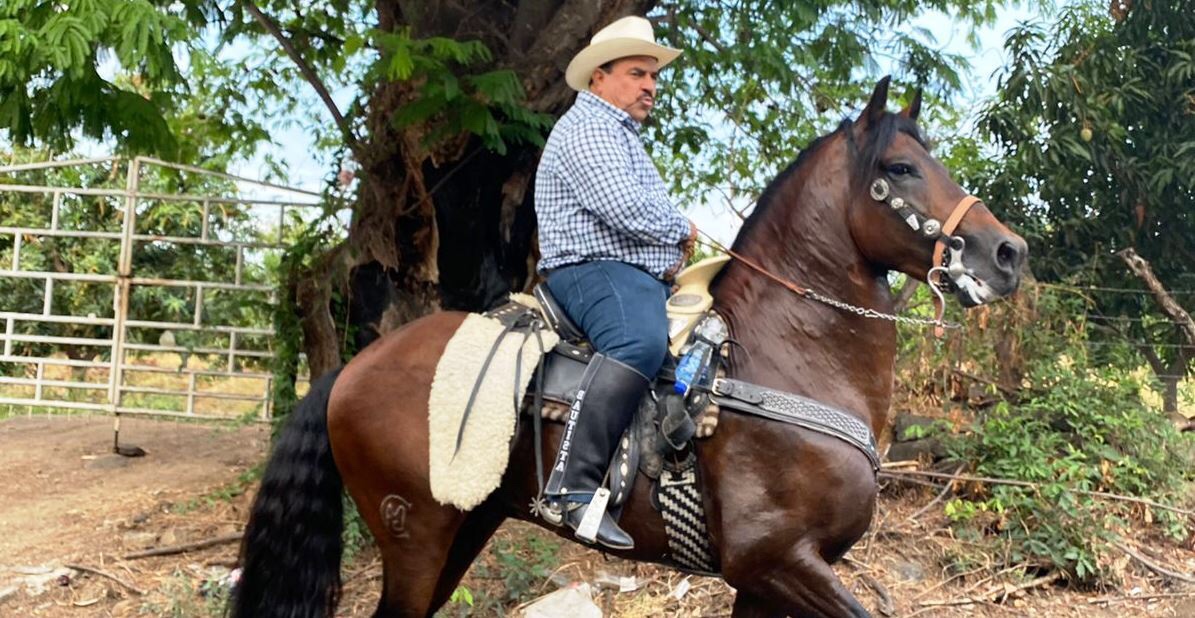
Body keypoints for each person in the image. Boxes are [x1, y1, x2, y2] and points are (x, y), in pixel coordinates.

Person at [534, 15, 697, 550]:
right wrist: (682, 229)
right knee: (640, 341)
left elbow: (636, 218)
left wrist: (673, 258)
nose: (650, 85)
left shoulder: (622, 135)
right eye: (636, 73)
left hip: (627, 272)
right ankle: (572, 490)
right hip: (586, 271)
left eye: (653, 76)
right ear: (598, 78)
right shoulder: (589, 127)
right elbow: (626, 209)